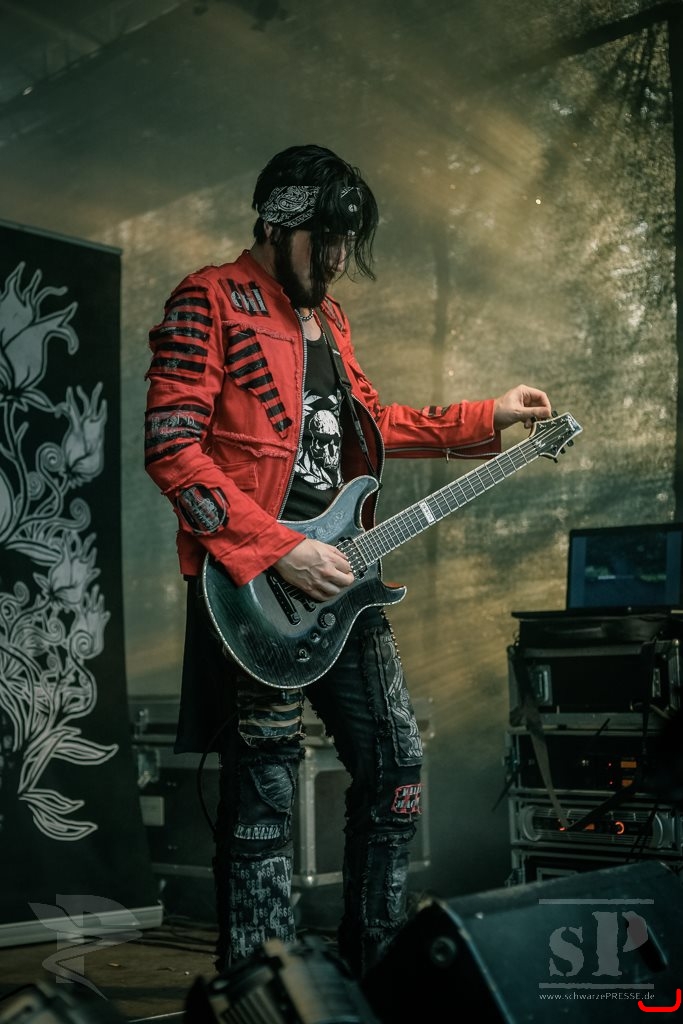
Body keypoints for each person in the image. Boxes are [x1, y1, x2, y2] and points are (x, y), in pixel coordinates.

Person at [143, 143, 552, 978]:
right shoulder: (208, 298)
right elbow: (171, 447)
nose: (335, 259)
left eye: (345, 242)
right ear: (276, 222)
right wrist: (280, 547)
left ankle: (375, 968)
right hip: (254, 589)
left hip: (342, 580)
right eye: (323, 239)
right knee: (264, 789)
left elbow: (368, 424)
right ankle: (260, 986)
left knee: (396, 762)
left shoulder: (329, 319)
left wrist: (488, 415)